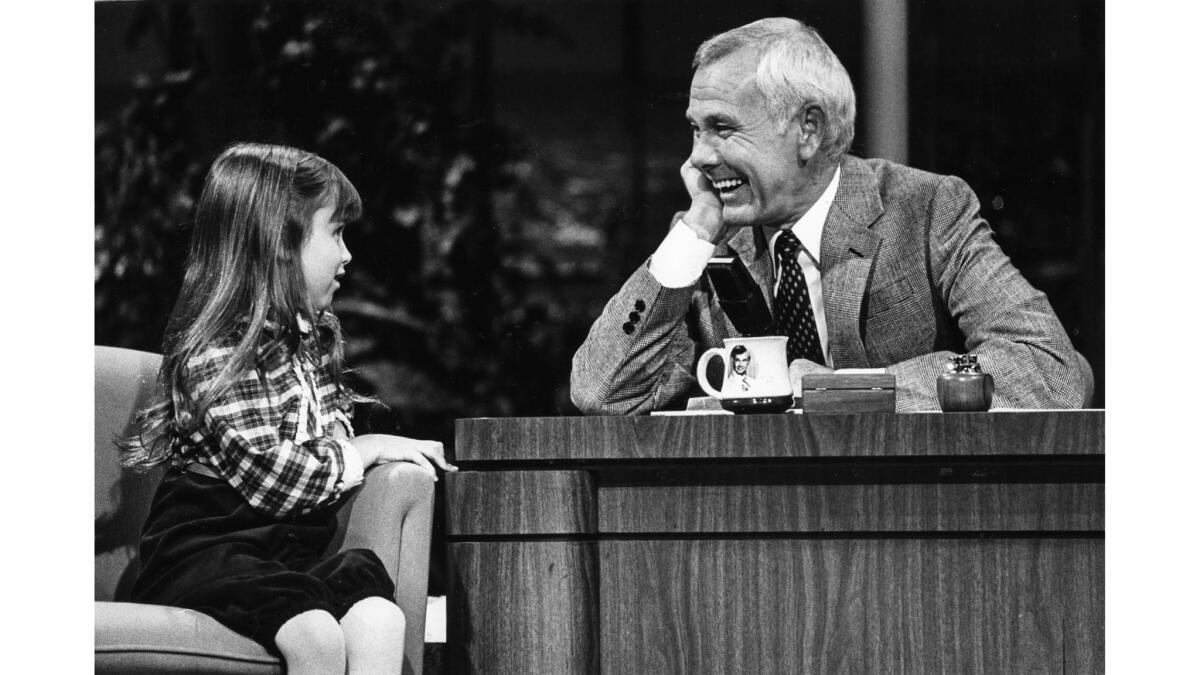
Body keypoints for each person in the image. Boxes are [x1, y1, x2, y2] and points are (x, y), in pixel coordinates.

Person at [570, 17, 1086, 414]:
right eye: (695, 129)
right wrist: (696, 230)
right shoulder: (706, 247)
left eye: (722, 128)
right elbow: (603, 391)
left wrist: (846, 392)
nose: (700, 156)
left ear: (808, 129)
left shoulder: (926, 211)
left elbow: (1048, 369)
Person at [120, 142, 457, 674]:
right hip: (208, 553)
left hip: (282, 557)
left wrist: (346, 447)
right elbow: (276, 477)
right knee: (315, 633)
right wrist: (361, 449)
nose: (348, 255)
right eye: (336, 232)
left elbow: (319, 444)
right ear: (279, 242)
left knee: (380, 618)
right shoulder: (217, 356)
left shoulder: (311, 342)